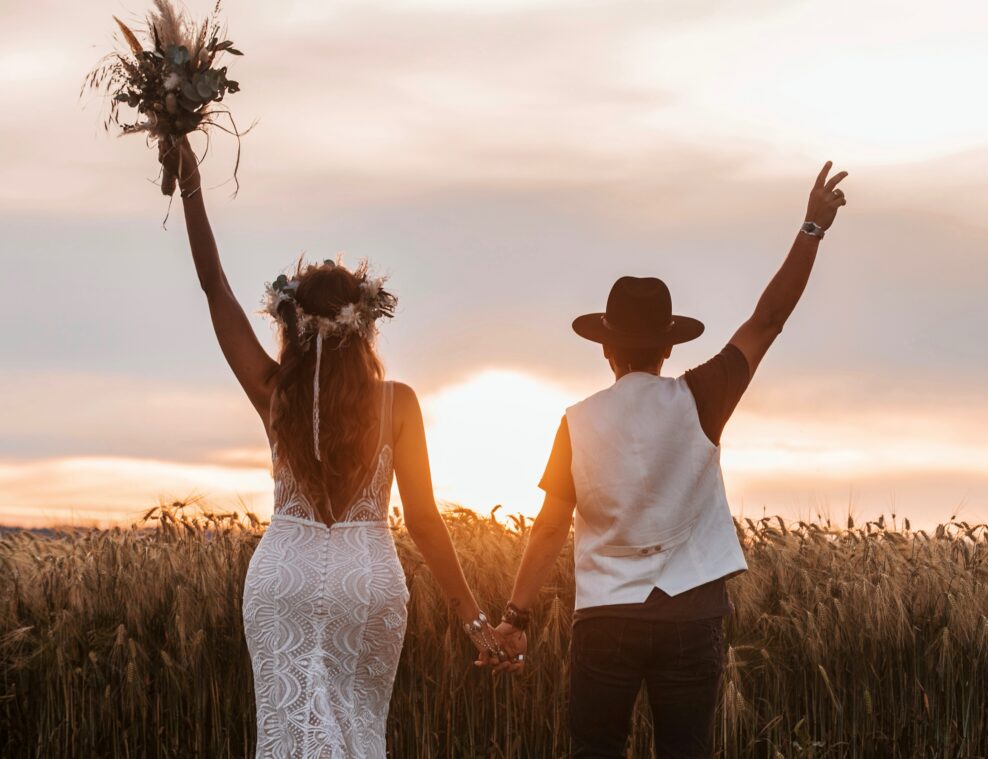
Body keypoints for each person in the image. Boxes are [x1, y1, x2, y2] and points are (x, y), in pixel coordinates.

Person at [487, 162, 849, 758]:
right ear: (668, 345)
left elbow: (551, 526)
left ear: (604, 347)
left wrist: (515, 619)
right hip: (690, 617)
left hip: (604, 621)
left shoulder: (576, 422)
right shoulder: (703, 395)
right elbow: (768, 320)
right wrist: (811, 228)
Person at [159, 137, 506, 758]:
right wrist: (474, 621)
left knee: (290, 738)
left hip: (282, 575)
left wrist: (191, 180)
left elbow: (215, 288)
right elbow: (424, 521)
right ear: (365, 326)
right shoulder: (398, 404)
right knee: (356, 733)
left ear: (290, 323)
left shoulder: (275, 393)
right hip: (367, 578)